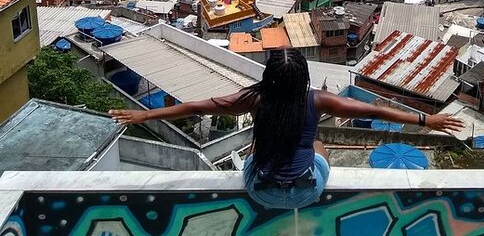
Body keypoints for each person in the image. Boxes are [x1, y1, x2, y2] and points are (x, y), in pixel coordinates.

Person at [109, 48, 465, 209]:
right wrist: (427, 121)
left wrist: (144, 116)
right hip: (306, 192)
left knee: (254, 151)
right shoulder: (319, 100)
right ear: (303, 78)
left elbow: (196, 106)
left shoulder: (253, 99)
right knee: (319, 145)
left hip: (257, 190)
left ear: (268, 78)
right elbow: (375, 110)